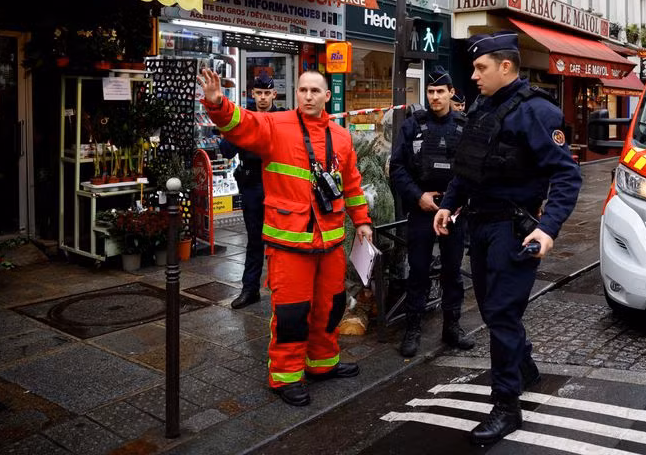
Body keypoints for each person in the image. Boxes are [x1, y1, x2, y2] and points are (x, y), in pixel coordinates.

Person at [432, 31, 582, 446]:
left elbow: (567, 175)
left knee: (500, 315)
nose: (474, 76)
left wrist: (547, 227)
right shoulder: (483, 105)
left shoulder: (536, 112)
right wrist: (448, 204)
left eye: (480, 68)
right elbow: (467, 166)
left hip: (512, 230)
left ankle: (506, 406)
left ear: (505, 66)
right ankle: (526, 368)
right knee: (493, 309)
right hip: (479, 225)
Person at [198, 68, 373, 408]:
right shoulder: (275, 126)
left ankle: (322, 363)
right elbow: (242, 124)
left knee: (330, 308)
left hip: (331, 242)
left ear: (327, 96)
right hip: (288, 243)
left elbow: (351, 183)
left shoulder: (341, 136)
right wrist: (217, 103)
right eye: (302, 90)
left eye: (315, 91)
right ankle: (285, 376)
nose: (308, 96)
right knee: (291, 316)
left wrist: (362, 221)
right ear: (297, 94)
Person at [389, 66, 474, 358]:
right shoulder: (413, 124)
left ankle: (452, 328)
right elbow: (397, 167)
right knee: (419, 272)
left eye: (441, 91)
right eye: (431, 91)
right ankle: (413, 330)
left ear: (452, 93)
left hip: (454, 212)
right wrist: (418, 196)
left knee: (452, 272)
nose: (435, 97)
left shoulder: (465, 125)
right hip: (423, 210)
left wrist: (459, 201)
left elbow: (474, 170)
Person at [219, 73, 278, 309]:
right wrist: (242, 129)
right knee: (254, 239)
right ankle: (250, 289)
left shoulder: (283, 118)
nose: (263, 98)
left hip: (277, 182)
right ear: (252, 94)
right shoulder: (244, 118)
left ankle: (281, 289)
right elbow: (226, 150)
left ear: (274, 94)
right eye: (258, 93)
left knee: (278, 239)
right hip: (252, 182)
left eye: (267, 93)